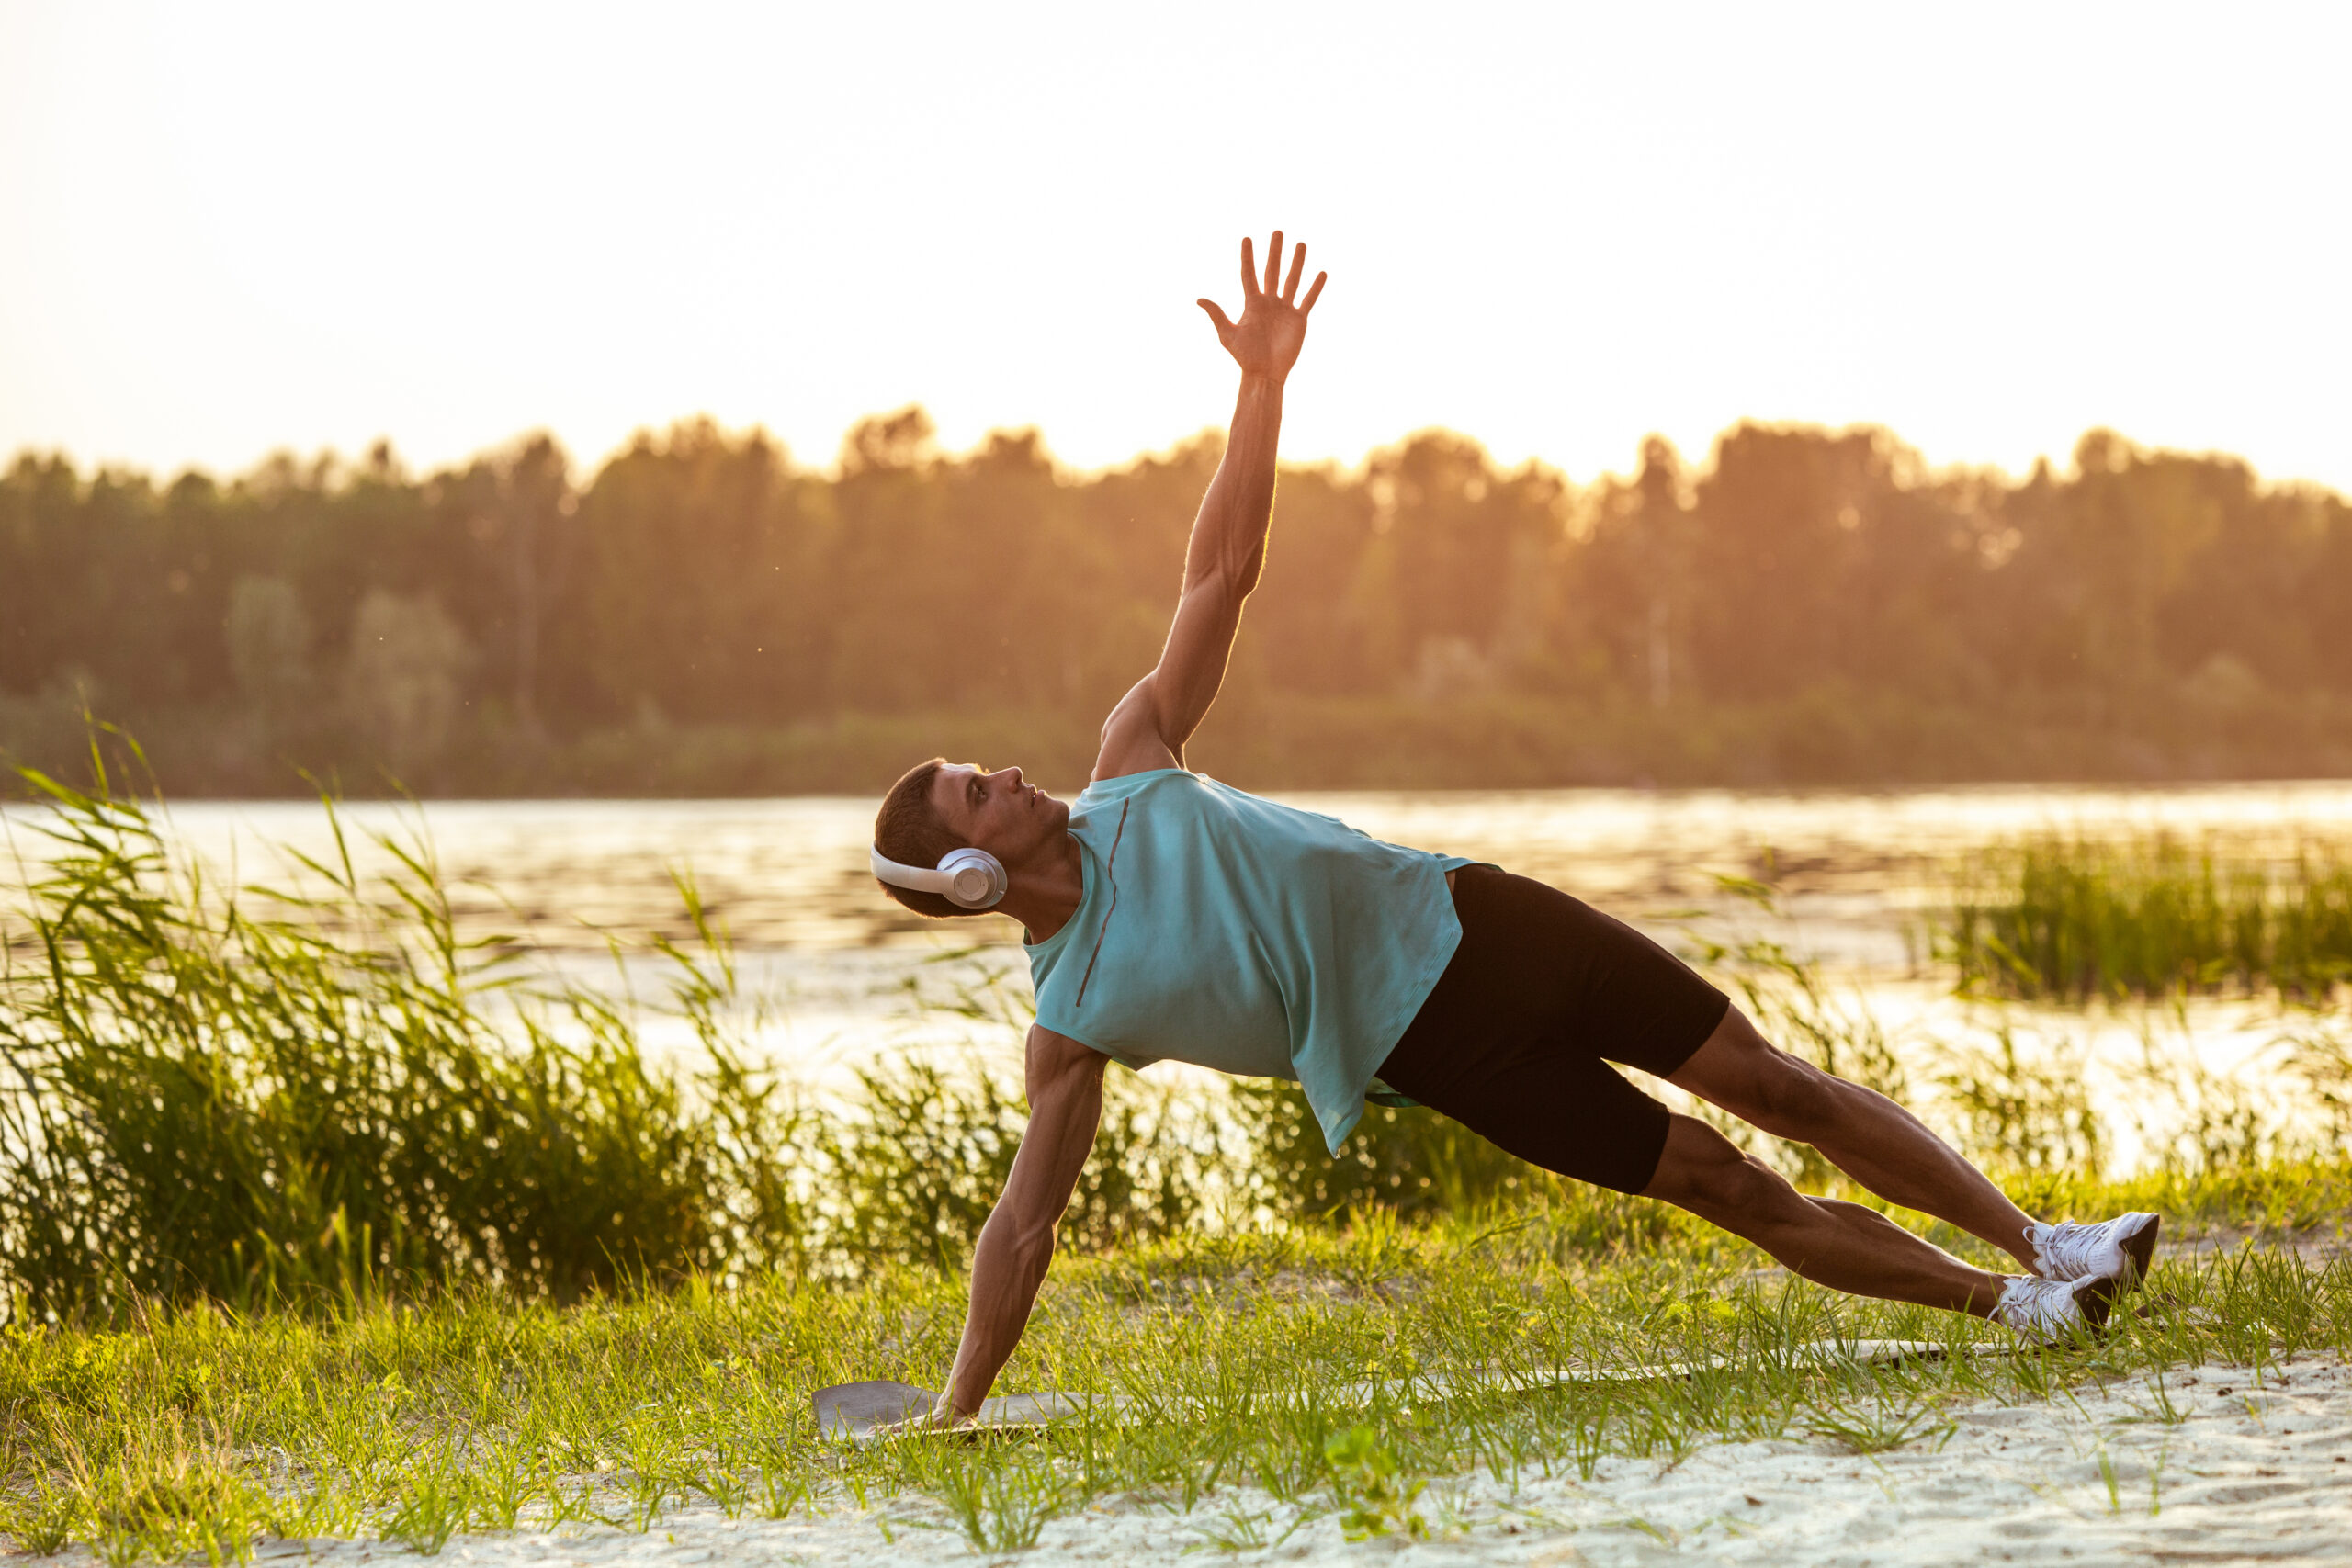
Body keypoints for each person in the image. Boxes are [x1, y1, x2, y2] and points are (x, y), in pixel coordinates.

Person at [867, 232, 2160, 1428]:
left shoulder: (1131, 764)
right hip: (1445, 1053)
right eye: (980, 793)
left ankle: (2045, 1242)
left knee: (1776, 1086)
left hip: (1478, 920)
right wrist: (956, 1407)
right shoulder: (1073, 1016)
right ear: (970, 877)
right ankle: (2020, 1310)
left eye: (987, 770)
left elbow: (1220, 572)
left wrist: (1260, 389)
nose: (1012, 775)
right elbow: (1024, 1228)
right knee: (1725, 1184)